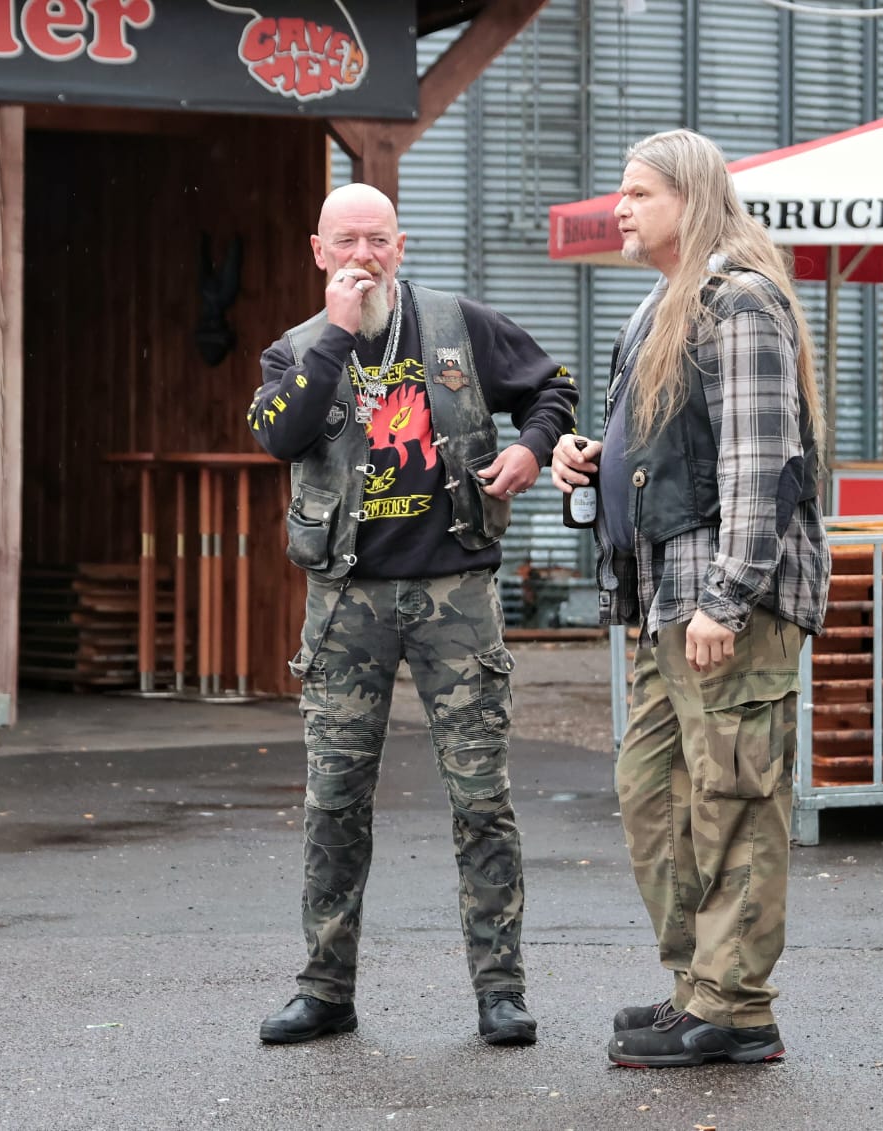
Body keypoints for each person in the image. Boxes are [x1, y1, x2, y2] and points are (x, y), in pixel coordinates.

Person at [249, 183, 577, 1048]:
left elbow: (553, 387)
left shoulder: (459, 324)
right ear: (318, 251)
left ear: (402, 246)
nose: (363, 256)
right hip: (345, 601)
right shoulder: (295, 350)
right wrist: (335, 334)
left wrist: (530, 447)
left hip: (454, 593)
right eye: (346, 241)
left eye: (378, 240)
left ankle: (501, 992)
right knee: (334, 801)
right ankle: (324, 989)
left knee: (481, 799)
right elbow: (278, 435)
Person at [551, 130, 830, 1069]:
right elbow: (677, 448)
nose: (620, 208)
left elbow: (763, 464)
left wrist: (728, 597)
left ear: (692, 198)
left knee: (734, 800)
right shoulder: (657, 307)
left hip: (724, 605)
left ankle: (736, 1009)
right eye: (620, 191)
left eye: (639, 193)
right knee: (654, 795)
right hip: (667, 600)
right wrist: (596, 456)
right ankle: (697, 985)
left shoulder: (739, 301)